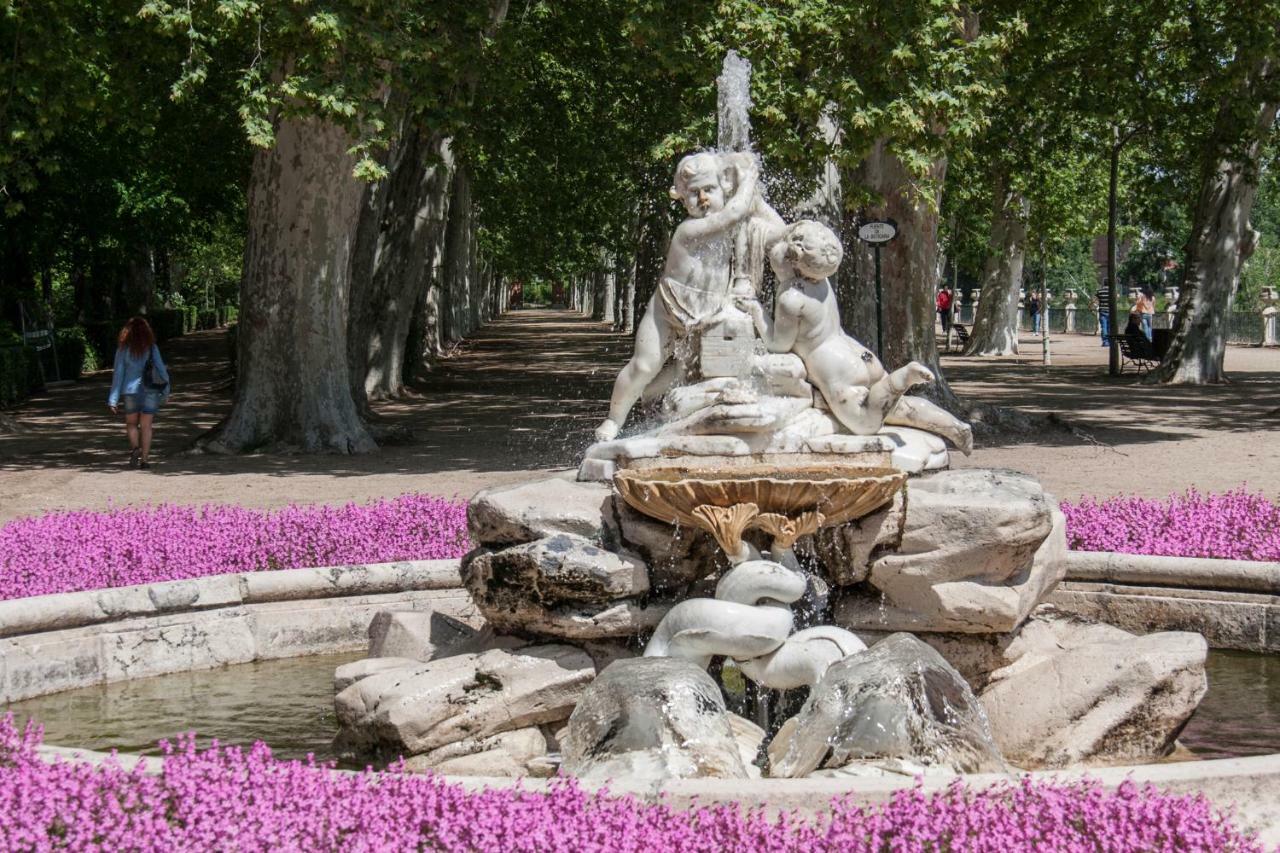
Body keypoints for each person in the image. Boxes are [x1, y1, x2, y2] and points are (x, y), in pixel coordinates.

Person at [594, 151, 784, 441]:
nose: (703, 199)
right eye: (693, 194)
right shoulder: (688, 230)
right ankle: (613, 421)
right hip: (668, 310)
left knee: (684, 373)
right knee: (644, 365)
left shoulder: (732, 229)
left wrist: (755, 198)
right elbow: (736, 211)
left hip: (706, 316)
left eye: (709, 189)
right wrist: (750, 178)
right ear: (682, 199)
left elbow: (776, 229)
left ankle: (650, 402)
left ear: (724, 189)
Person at [741, 220, 973, 454]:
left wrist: (755, 310)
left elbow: (778, 344)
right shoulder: (822, 282)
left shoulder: (791, 297)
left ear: (792, 261)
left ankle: (901, 379)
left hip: (837, 369)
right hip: (860, 355)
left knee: (865, 423)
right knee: (898, 408)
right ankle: (955, 426)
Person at [108, 316, 170, 469]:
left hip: (130, 391)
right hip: (150, 391)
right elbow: (161, 370)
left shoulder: (123, 350)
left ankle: (135, 448)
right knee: (147, 426)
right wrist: (166, 391)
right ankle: (145, 460)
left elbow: (118, 374)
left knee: (131, 424)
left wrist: (113, 399)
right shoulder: (152, 347)